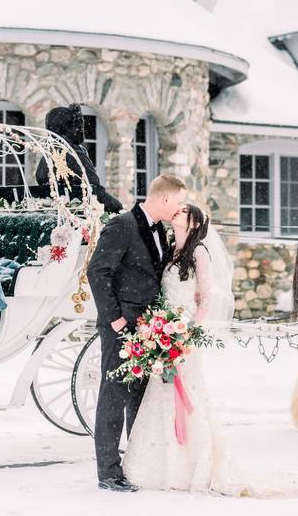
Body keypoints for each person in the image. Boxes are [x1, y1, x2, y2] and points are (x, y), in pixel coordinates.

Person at [121, 205, 298, 498]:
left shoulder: (199, 252)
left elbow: (206, 298)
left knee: (187, 393)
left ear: (194, 221)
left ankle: (192, 463)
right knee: (162, 395)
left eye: (184, 210)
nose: (177, 211)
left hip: (184, 334)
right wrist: (159, 328)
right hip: (164, 330)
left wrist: (187, 332)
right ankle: (163, 464)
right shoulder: (171, 248)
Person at [86, 174, 187, 492]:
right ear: (166, 199)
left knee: (138, 397)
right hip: (120, 326)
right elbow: (97, 270)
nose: (180, 209)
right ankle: (108, 473)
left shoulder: (159, 230)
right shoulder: (123, 225)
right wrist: (114, 318)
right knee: (114, 396)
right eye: (179, 202)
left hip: (146, 329)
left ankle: (133, 462)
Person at [34, 104, 122, 213]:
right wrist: (119, 207)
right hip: (76, 214)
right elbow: (94, 190)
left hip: (54, 211)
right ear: (68, 128)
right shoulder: (72, 154)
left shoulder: (47, 155)